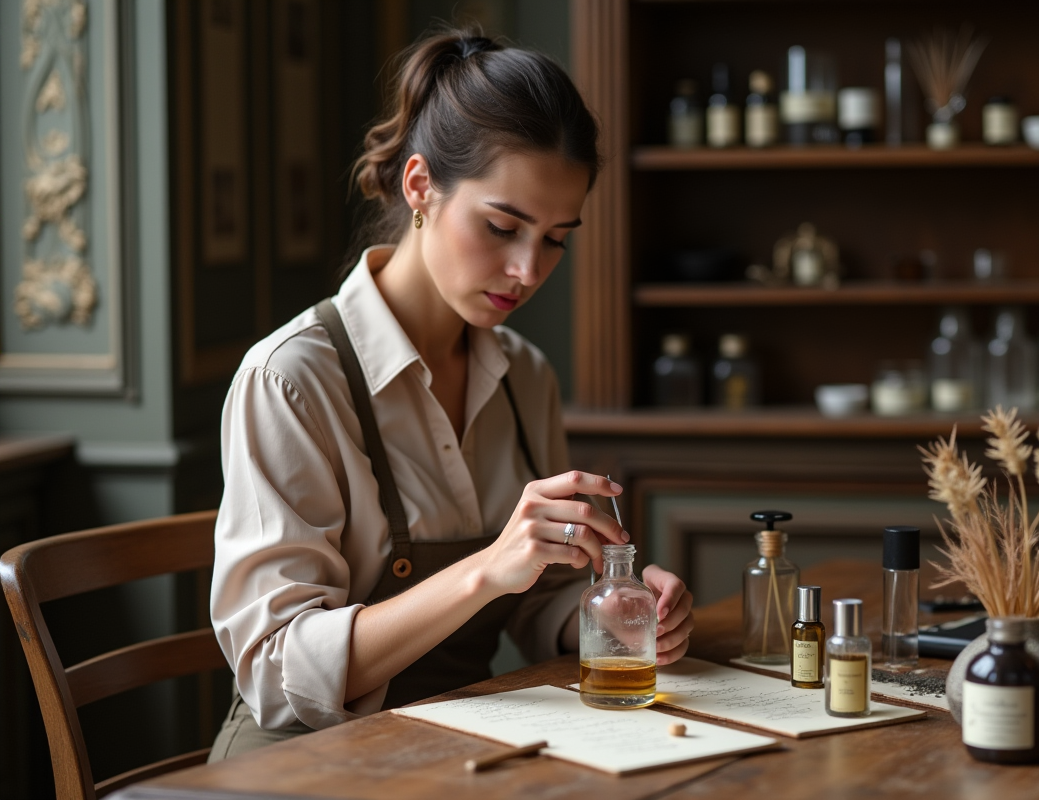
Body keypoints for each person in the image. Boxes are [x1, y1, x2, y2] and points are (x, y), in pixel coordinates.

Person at [207, 29, 694, 760]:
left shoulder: (526, 375)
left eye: (557, 238)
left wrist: (618, 614)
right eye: (502, 227)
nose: (528, 269)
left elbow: (533, 603)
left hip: (452, 746)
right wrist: (483, 570)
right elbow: (276, 673)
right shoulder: (291, 380)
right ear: (419, 188)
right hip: (303, 762)